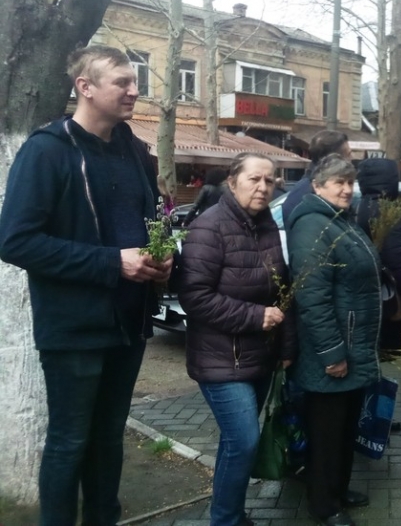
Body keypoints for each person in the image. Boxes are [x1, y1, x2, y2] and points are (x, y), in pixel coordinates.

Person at [0, 45, 173, 525]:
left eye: (135, 81)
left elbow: (143, 224)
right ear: (85, 87)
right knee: (70, 442)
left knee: (108, 438)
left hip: (129, 321)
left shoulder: (136, 151)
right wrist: (112, 263)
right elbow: (15, 242)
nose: (134, 90)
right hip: (74, 328)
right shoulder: (47, 150)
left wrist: (160, 260)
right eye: (122, 81)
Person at [179, 152, 295, 526]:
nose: (263, 187)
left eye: (270, 180)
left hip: (261, 356)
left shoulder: (266, 227)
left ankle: (231, 513)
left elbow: (282, 291)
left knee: (236, 443)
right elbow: (194, 297)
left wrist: (286, 346)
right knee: (244, 441)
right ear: (232, 182)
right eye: (254, 179)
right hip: (220, 359)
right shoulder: (208, 227)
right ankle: (225, 520)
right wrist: (255, 317)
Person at [287, 154, 382, 526]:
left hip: (353, 344)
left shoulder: (340, 220)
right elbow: (312, 297)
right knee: (327, 434)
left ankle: (338, 491)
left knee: (344, 429)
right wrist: (331, 353)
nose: (346, 189)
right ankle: (323, 505)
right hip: (332, 351)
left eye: (349, 182)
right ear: (317, 186)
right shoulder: (312, 225)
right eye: (337, 183)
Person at [355, 158, 401, 357]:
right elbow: (397, 260)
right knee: (382, 354)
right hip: (385, 296)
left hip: (365, 293)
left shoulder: (361, 206)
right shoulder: (386, 211)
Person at [281, 130, 351, 222]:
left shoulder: (307, 187)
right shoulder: (308, 195)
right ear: (335, 159)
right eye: (349, 154)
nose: (351, 159)